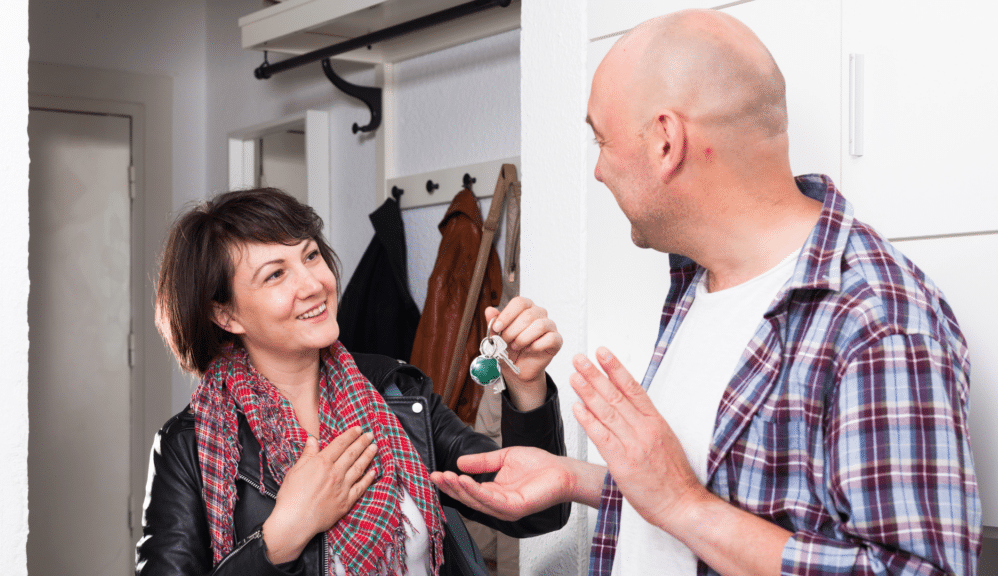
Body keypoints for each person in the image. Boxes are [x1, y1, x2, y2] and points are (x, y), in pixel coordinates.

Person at [430, 9, 981, 576]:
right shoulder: (699, 282)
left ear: (667, 142)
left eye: (602, 139)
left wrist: (683, 505)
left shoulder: (876, 320)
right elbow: (718, 491)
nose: (597, 171)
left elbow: (921, 570)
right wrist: (574, 478)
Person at [137, 187, 569, 576]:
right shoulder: (189, 446)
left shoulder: (397, 393)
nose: (313, 284)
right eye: (275, 274)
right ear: (226, 314)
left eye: (310, 256)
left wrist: (527, 386)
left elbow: (537, 512)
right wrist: (279, 539)